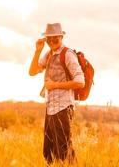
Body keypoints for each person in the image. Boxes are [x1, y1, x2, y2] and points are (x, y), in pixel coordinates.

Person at [29, 23, 85, 165]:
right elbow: (32, 72)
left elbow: (80, 82)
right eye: (49, 39)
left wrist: (54, 85)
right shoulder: (48, 54)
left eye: (55, 39)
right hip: (51, 108)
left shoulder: (68, 54)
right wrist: (37, 51)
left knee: (64, 151)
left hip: (64, 108)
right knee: (49, 152)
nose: (52, 42)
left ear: (61, 36)